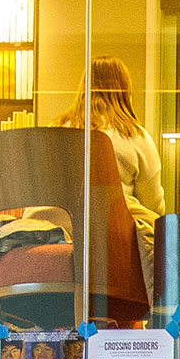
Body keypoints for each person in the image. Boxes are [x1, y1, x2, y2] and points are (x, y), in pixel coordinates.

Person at [61, 55, 165, 263]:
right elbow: (154, 205)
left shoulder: (56, 130)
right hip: (114, 245)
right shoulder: (136, 137)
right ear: (125, 92)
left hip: (60, 236)